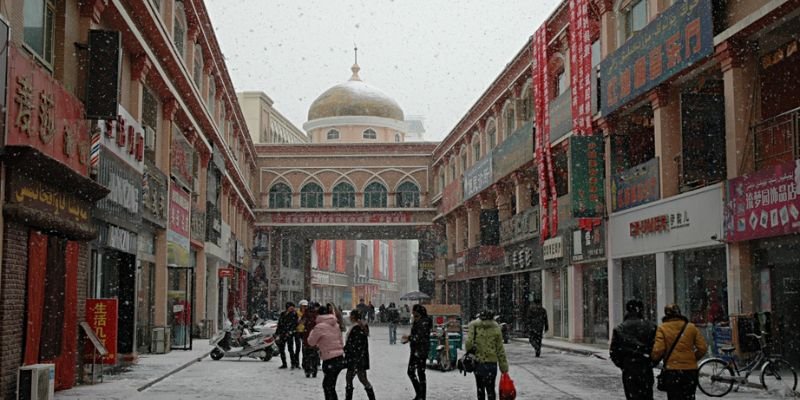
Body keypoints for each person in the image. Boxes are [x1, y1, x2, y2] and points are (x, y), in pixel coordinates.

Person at [651, 304, 708, 400]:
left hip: (672, 371)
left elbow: (658, 350)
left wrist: (653, 359)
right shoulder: (691, 327)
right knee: (689, 396)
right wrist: (692, 358)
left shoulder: (662, 328)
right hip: (690, 371)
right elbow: (702, 348)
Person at [610, 300, 657, 400]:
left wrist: (623, 364)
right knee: (647, 395)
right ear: (641, 310)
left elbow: (614, 352)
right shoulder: (651, 327)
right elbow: (657, 347)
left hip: (629, 367)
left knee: (632, 395)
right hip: (645, 366)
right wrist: (651, 362)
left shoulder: (620, 328)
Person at [465, 310, 509, 400]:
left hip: (479, 362)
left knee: (480, 388)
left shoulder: (474, 326)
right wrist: (504, 367)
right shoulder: (496, 328)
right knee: (491, 389)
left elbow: (468, 344)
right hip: (491, 364)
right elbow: (500, 349)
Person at [308, 304, 347, 400]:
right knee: (330, 386)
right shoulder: (335, 324)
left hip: (329, 359)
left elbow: (311, 342)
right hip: (339, 357)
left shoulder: (319, 327)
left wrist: (312, 331)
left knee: (327, 386)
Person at [402, 304, 432, 400]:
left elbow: (420, 337)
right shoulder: (418, 321)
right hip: (415, 350)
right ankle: (420, 394)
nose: (412, 314)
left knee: (419, 373)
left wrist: (409, 338)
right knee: (413, 372)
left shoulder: (424, 322)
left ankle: (421, 395)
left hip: (421, 351)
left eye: (414, 312)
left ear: (418, 312)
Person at [344, 310, 375, 400]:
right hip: (359, 358)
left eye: (351, 315)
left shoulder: (357, 328)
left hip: (356, 358)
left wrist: (346, 349)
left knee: (354, 378)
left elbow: (355, 345)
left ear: (353, 317)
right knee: (359, 378)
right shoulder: (359, 326)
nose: (349, 317)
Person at [300, 300, 321, 378]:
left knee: (307, 355)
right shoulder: (316, 315)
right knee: (314, 355)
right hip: (314, 336)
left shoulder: (306, 314)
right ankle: (313, 370)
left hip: (307, 336)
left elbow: (301, 322)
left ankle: (308, 370)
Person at [276, 302, 299, 369]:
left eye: (293, 307)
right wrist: (277, 333)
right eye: (291, 307)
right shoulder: (282, 314)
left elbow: (295, 324)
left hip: (289, 334)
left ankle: (293, 363)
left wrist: (290, 331)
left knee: (290, 349)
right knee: (281, 349)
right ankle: (284, 363)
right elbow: (279, 324)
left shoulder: (294, 314)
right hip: (282, 333)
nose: (292, 308)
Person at [296, 299, 308, 367]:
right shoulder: (297, 313)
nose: (304, 308)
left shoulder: (308, 314)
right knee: (297, 348)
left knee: (304, 349)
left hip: (304, 332)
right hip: (298, 331)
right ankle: (296, 363)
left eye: (306, 306)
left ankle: (304, 363)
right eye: (303, 306)